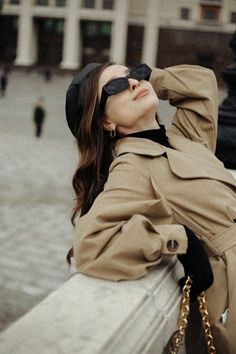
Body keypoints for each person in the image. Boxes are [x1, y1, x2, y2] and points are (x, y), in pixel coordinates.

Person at [65, 62, 236, 354]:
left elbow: (201, 85)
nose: (133, 83)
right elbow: (91, 244)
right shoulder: (131, 166)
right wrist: (179, 239)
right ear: (106, 123)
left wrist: (152, 76)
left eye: (133, 74)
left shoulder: (184, 139)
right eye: (115, 86)